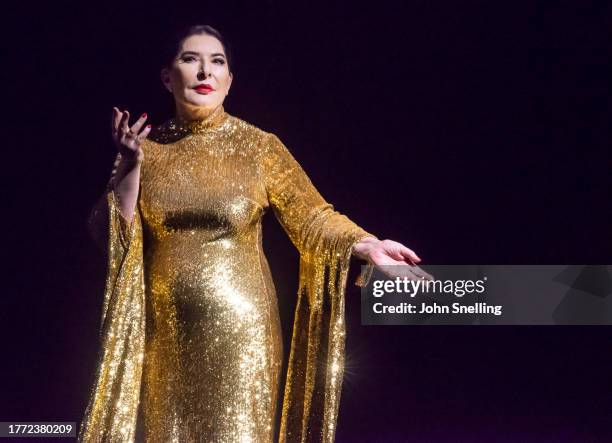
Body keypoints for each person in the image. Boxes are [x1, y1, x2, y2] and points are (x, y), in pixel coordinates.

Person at [78, 24, 431, 443]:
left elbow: (313, 217)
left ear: (229, 82)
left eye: (217, 63)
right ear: (167, 77)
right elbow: (111, 236)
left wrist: (369, 245)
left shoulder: (258, 146)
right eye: (191, 59)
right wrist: (131, 165)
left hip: (241, 335)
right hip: (163, 337)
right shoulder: (143, 149)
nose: (205, 72)